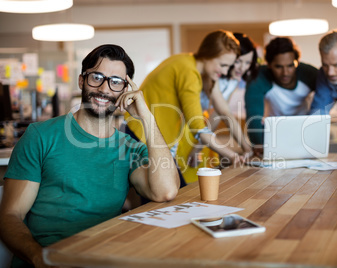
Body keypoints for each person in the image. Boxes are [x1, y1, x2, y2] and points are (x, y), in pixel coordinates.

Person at [0, 44, 180, 268]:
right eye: (97, 77)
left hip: (102, 257)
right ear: (81, 81)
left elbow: (166, 191)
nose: (104, 89)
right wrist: (39, 257)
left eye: (116, 82)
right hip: (47, 257)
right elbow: (10, 216)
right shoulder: (40, 136)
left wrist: (147, 117)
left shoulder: (130, 147)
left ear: (125, 91)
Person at [125, 30, 253, 183]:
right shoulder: (189, 72)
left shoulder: (191, 65)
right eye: (223, 65)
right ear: (209, 55)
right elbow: (198, 128)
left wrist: (246, 148)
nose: (225, 71)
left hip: (157, 138)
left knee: (174, 192)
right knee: (167, 195)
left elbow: (224, 111)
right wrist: (233, 156)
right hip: (141, 135)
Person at [177, 32, 259, 183]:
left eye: (248, 63)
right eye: (239, 62)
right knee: (186, 179)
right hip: (186, 126)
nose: (243, 68)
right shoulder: (213, 76)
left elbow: (223, 113)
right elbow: (217, 114)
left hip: (202, 128)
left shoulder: (232, 80)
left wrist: (246, 147)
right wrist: (197, 147)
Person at [245, 37, 318, 157]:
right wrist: (258, 143)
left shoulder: (309, 73)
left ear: (297, 62)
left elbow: (329, 92)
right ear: (268, 65)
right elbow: (253, 114)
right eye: (278, 67)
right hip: (275, 134)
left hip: (305, 130)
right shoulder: (259, 77)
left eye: (290, 65)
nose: (285, 72)